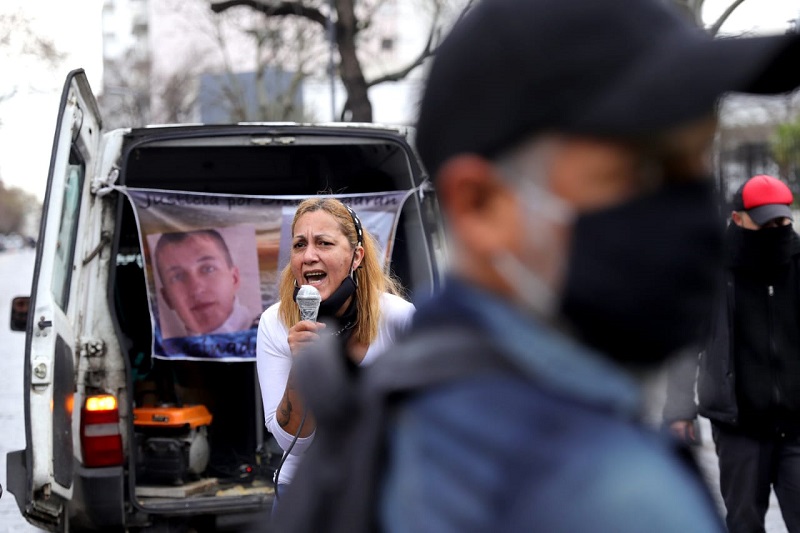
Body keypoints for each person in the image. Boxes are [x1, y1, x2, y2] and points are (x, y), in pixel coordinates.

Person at [276, 0, 800, 531]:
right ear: (480, 205)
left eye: (695, 165)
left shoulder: (408, 410)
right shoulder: (612, 494)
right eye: (643, 170)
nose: (689, 209)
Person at [667, 174, 800, 533]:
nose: (777, 227)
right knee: (744, 524)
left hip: (796, 425)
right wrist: (679, 411)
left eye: (782, 219)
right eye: (766, 221)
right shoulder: (711, 269)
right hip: (739, 426)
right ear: (737, 218)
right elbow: (684, 346)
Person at [256, 198, 414, 498]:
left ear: (356, 257)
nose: (308, 256)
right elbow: (295, 443)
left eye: (324, 243)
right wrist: (301, 367)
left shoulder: (398, 318)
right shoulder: (274, 323)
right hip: (304, 491)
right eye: (299, 245)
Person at [154, 229, 258, 337]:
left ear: (234, 278)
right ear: (167, 299)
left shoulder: (270, 336)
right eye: (178, 277)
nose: (196, 289)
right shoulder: (165, 351)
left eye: (208, 269)